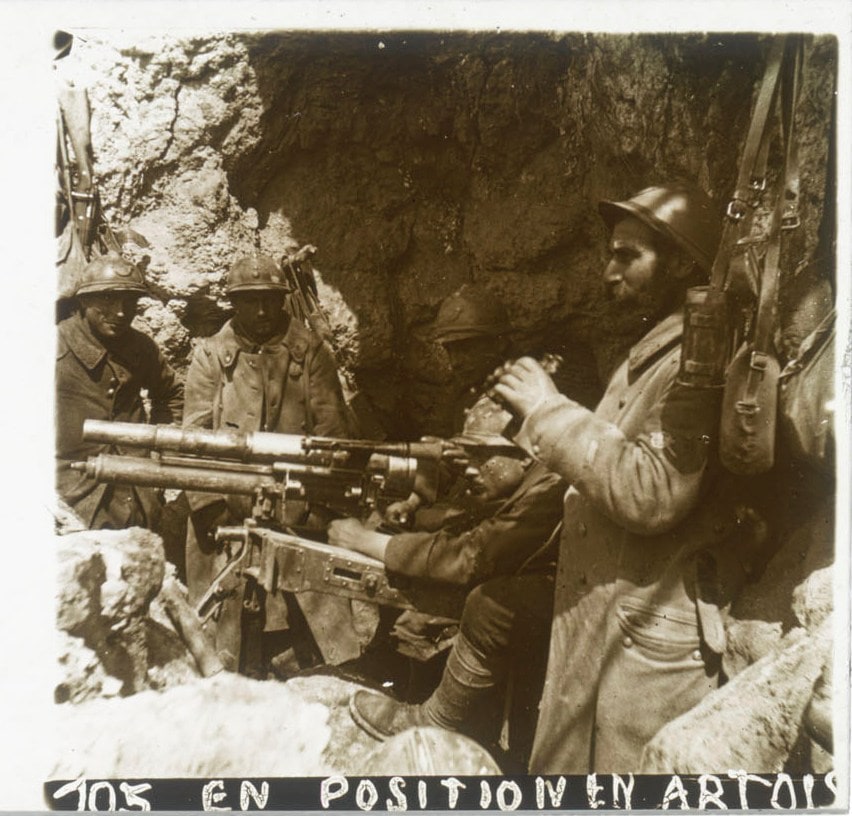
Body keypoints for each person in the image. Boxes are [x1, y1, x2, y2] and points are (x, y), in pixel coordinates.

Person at [348, 183, 738, 773]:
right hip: (603, 603)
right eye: (610, 254)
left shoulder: (696, 360)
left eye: (628, 256)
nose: (608, 272)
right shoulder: (657, 351)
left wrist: (545, 408)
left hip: (644, 631)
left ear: (682, 262)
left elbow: (656, 492)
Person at [182, 253, 356, 676]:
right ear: (233, 303)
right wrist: (208, 502)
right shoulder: (210, 357)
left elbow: (334, 434)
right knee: (222, 623)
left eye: (269, 299)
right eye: (249, 300)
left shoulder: (309, 352)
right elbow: (193, 437)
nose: (261, 311)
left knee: (318, 624)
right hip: (228, 500)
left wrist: (321, 506)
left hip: (297, 498)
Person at [55, 254, 183, 529]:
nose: (121, 312)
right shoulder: (54, 345)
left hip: (135, 491)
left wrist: (159, 453)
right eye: (107, 300)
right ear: (83, 300)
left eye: (130, 302)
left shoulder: (141, 347)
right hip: (70, 493)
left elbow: (171, 395)